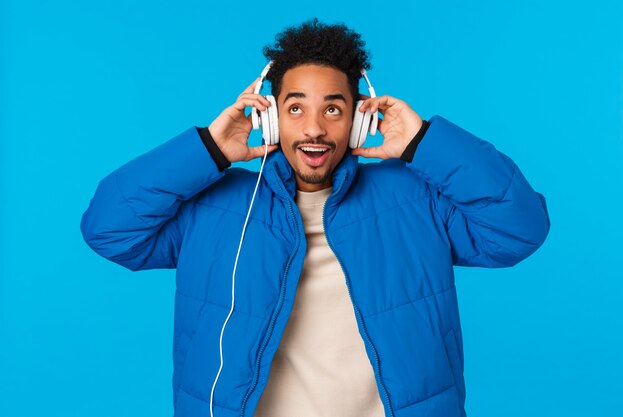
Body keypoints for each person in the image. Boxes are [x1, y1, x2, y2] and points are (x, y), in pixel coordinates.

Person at [80, 18, 550, 417]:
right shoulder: (215, 206)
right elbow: (109, 228)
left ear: (360, 119)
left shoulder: (415, 196)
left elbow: (518, 229)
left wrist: (424, 143)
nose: (313, 128)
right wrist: (208, 150)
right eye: (295, 107)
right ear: (271, 117)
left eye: (333, 108)